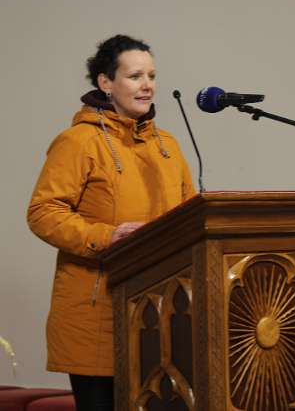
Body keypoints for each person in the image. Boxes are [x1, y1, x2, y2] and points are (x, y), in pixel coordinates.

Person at [27, 34, 196, 411]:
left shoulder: (167, 146)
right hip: (98, 315)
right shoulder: (78, 142)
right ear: (105, 82)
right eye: (135, 76)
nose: (147, 85)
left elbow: (190, 218)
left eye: (152, 75)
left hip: (162, 317)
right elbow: (43, 212)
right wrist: (106, 236)